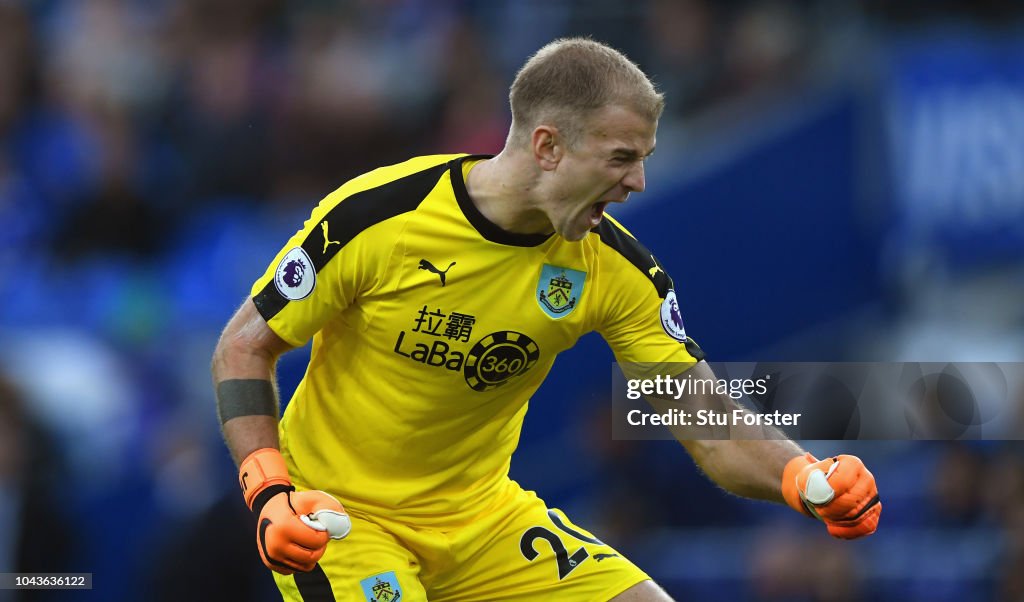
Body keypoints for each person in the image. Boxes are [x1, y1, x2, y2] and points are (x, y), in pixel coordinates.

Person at [212, 38, 880, 601]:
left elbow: (703, 422)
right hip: (338, 515)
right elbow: (243, 348)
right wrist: (269, 492)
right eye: (621, 158)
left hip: (482, 519)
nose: (637, 183)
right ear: (548, 146)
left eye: (643, 159)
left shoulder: (613, 269)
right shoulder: (380, 217)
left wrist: (801, 477)